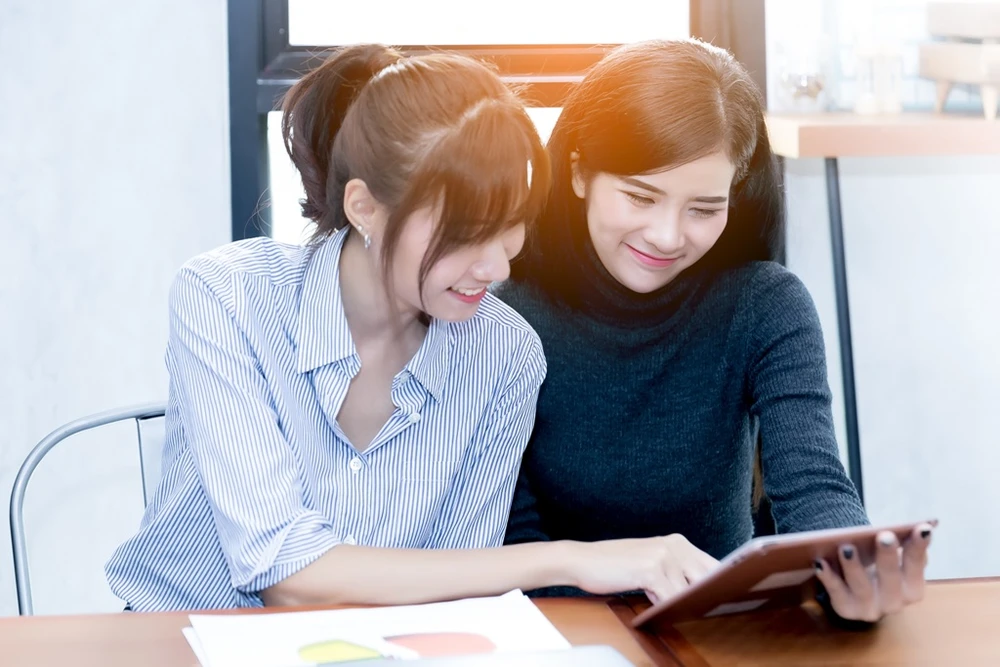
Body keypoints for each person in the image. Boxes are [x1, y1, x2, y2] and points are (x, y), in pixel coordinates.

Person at [105, 44, 724, 612]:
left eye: (512, 225)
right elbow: (282, 572)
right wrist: (571, 559)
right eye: (465, 234)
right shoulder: (228, 297)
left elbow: (460, 584)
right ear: (365, 207)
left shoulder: (505, 352)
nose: (497, 266)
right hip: (176, 639)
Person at [498, 39, 932, 624]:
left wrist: (853, 570)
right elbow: (514, 538)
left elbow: (813, 487)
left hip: (720, 627)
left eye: (703, 208)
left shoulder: (765, 303)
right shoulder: (507, 313)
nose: (667, 236)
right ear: (579, 173)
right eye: (640, 196)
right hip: (561, 629)